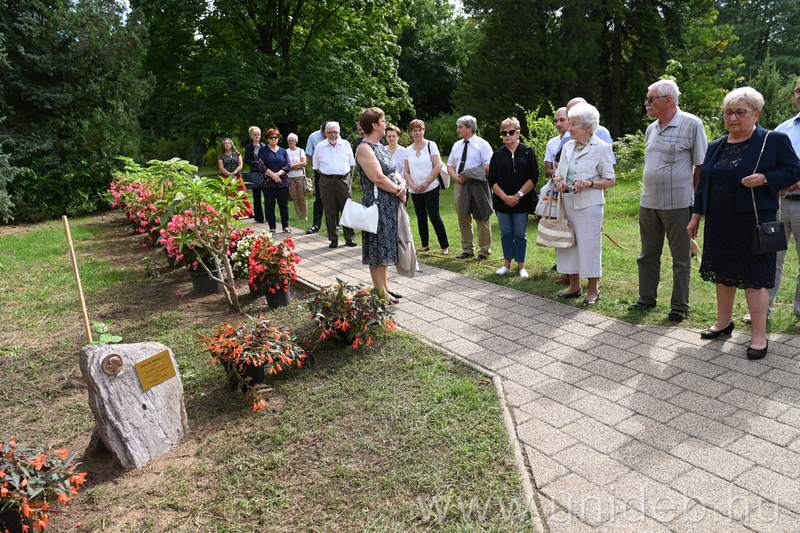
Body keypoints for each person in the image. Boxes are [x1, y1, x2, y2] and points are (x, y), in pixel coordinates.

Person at [688, 87, 800, 360]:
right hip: (720, 223)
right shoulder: (716, 145)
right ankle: (723, 322)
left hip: (754, 222)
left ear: (756, 114)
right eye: (728, 113)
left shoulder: (773, 140)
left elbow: (794, 169)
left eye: (740, 112)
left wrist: (765, 179)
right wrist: (695, 216)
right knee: (723, 273)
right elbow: (704, 186)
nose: (733, 118)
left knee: (755, 278)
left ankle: (759, 336)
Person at [628, 80, 707, 323]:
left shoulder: (692, 124)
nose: (646, 103)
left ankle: (679, 306)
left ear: (668, 100)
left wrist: (694, 201)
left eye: (651, 99)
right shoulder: (651, 129)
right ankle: (646, 299)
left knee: (680, 257)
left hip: (678, 205)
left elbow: (701, 167)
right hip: (648, 203)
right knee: (647, 255)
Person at [553, 103, 616, 306]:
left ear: (589, 126)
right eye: (570, 123)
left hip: (589, 207)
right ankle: (574, 286)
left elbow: (610, 181)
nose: (569, 128)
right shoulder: (567, 147)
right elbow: (558, 174)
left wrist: (589, 183)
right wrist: (559, 182)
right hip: (567, 204)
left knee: (589, 247)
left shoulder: (602, 148)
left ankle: (593, 289)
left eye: (574, 124)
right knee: (568, 245)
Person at [355, 107, 407, 303]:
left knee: (385, 246)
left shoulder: (380, 146)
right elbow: (378, 178)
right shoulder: (364, 148)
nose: (386, 124)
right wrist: (398, 191)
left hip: (389, 202)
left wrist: (402, 185)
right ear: (374, 125)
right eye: (383, 121)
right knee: (377, 248)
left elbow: (392, 170)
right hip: (377, 204)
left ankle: (385, 287)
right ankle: (379, 291)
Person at [763, 77, 800, 328]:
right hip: (779, 203)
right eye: (798, 90)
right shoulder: (783, 128)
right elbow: (769, 162)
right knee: (771, 257)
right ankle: (763, 309)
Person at [488, 117, 539, 277]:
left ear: (518, 133)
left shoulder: (528, 151)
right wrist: (505, 197)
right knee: (506, 234)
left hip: (522, 201)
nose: (508, 135)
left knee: (520, 234)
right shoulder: (497, 155)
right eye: (504, 133)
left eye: (511, 132)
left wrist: (518, 195)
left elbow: (534, 176)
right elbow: (492, 180)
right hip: (502, 202)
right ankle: (507, 265)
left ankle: (521, 266)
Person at [447, 115, 494, 261]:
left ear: (469, 128)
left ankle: (484, 251)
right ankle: (467, 250)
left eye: (460, 127)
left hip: (478, 185)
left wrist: (468, 175)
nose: (457, 130)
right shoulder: (457, 145)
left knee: (481, 218)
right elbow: (450, 165)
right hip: (460, 185)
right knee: (463, 217)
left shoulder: (483, 145)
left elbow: (489, 167)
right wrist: (455, 177)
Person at [404, 119, 449, 255]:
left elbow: (438, 165)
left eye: (420, 130)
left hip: (430, 187)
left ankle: (444, 246)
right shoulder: (408, 150)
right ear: (411, 132)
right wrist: (412, 185)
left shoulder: (431, 145)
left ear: (424, 131)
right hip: (415, 189)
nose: (418, 132)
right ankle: (424, 244)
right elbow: (406, 171)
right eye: (415, 130)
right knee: (421, 217)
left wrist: (426, 183)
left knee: (434, 216)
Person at [312, 122, 357, 248]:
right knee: (329, 211)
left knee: (347, 209)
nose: (333, 135)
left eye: (335, 132)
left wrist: (340, 173)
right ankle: (333, 239)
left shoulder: (346, 144)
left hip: (343, 180)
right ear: (325, 133)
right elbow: (316, 166)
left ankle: (349, 238)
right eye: (330, 132)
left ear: (339, 132)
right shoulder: (320, 146)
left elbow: (351, 163)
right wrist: (329, 174)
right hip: (326, 181)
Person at [544, 107, 571, 285]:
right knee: (559, 227)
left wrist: (562, 174)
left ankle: (577, 272)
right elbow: (548, 170)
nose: (558, 124)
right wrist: (559, 175)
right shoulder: (553, 143)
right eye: (556, 120)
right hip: (557, 190)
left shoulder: (577, 141)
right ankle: (562, 266)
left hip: (574, 192)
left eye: (562, 120)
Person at [257, 128, 292, 234]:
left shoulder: (283, 151)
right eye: (271, 137)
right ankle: (272, 227)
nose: (273, 139)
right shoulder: (263, 150)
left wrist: (278, 174)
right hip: (267, 183)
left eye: (275, 137)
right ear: (267, 139)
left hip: (282, 182)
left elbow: (288, 165)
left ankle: (285, 226)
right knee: (270, 205)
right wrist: (273, 175)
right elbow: (261, 165)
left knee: (283, 205)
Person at [218, 137, 254, 218]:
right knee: (231, 196)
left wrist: (234, 173)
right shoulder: (221, 156)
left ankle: (249, 212)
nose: (227, 145)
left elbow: (240, 165)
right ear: (223, 145)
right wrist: (230, 175)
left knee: (243, 195)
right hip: (227, 179)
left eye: (229, 143)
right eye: (225, 143)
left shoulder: (237, 153)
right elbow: (221, 168)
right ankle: (234, 214)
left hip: (237, 177)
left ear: (232, 144)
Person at [305, 122, 328, 234]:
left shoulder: (335, 135)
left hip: (334, 172)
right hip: (320, 172)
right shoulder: (313, 137)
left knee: (335, 199)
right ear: (322, 131)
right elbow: (309, 154)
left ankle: (336, 224)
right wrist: (316, 168)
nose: (329, 135)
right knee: (319, 198)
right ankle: (316, 225)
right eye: (326, 133)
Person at [244, 127, 266, 222]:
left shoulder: (264, 146)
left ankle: (269, 216)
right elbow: (246, 160)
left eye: (258, 134)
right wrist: (255, 163)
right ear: (251, 136)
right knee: (257, 196)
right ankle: (259, 217)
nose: (257, 136)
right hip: (255, 172)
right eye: (255, 135)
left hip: (265, 172)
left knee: (267, 195)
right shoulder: (249, 147)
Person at [286, 133, 308, 220]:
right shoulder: (286, 152)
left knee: (302, 196)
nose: (290, 142)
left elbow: (304, 163)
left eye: (292, 141)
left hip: (300, 176)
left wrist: (291, 166)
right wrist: (297, 166)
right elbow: (285, 165)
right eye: (289, 141)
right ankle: (298, 215)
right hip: (290, 177)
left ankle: (305, 215)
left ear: (296, 142)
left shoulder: (300, 151)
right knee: (294, 197)